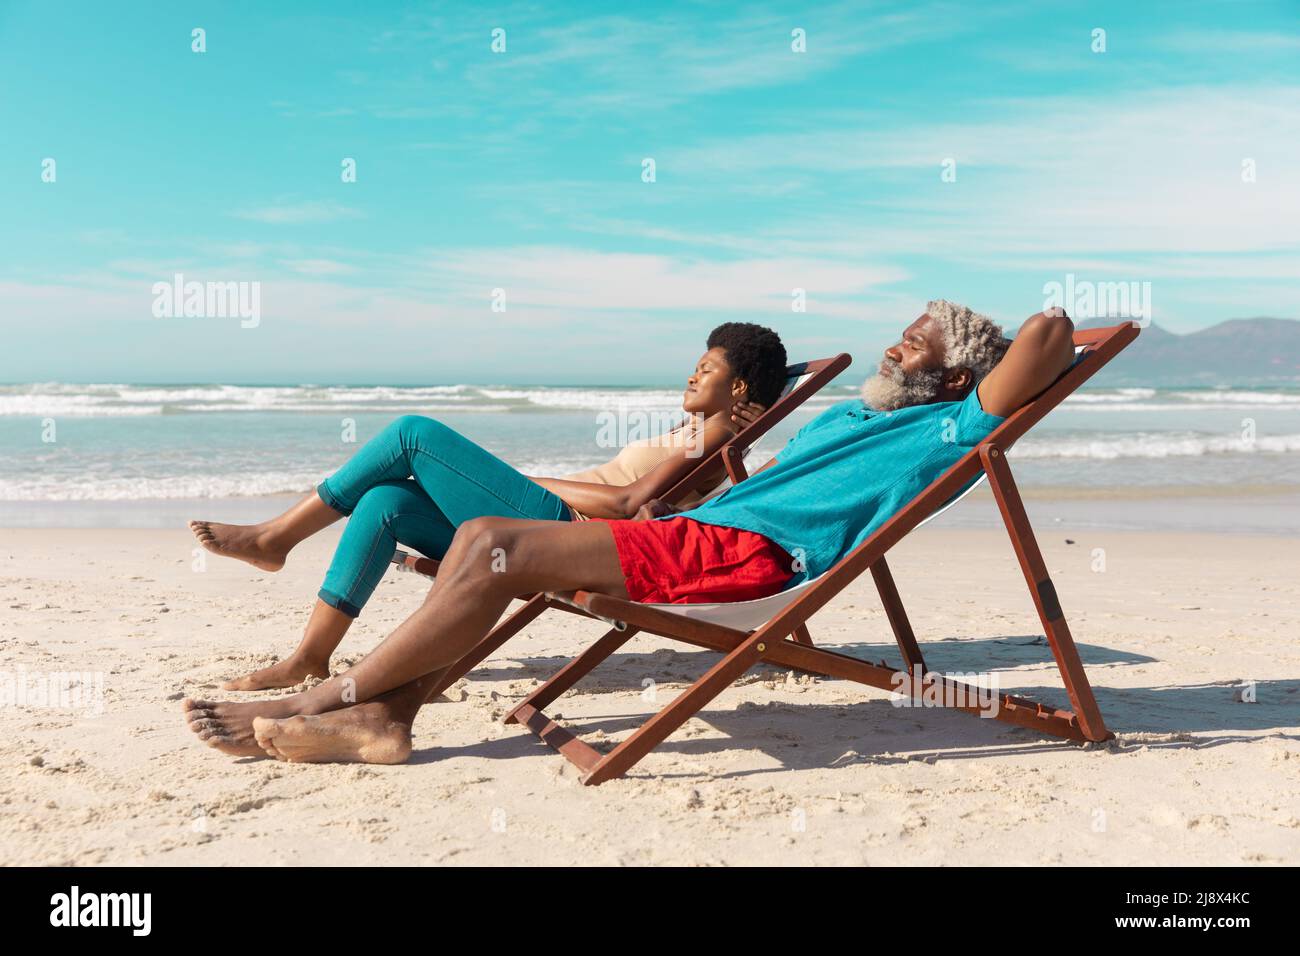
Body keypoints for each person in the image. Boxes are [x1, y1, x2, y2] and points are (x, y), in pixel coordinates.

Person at [184, 302, 1074, 766]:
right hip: (703, 531)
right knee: (482, 540)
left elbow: (1051, 335)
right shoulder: (862, 414)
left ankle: (323, 702)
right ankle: (384, 713)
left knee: (496, 543)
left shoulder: (946, 426)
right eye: (899, 337)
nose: (893, 352)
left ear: (959, 376)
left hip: (741, 557)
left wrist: (971, 355)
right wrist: (931, 347)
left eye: (914, 347)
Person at [187, 322, 787, 690]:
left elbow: (631, 502)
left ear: (737, 388)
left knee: (412, 433)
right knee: (385, 500)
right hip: (543, 527)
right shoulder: (699, 432)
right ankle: (310, 658)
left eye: (706, 367)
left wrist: (523, 481)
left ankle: (277, 540)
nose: (691, 374)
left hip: (563, 535)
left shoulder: (718, 434)